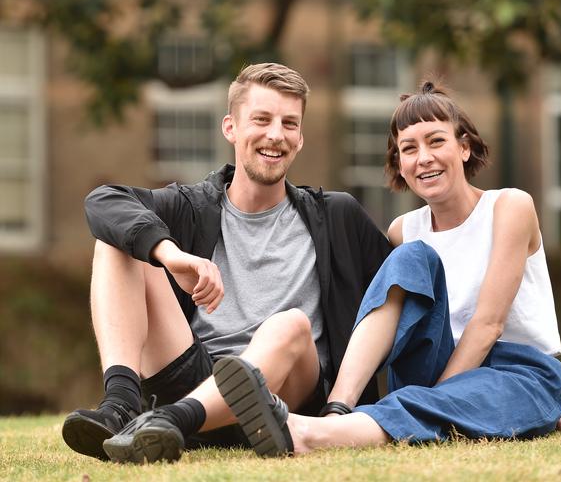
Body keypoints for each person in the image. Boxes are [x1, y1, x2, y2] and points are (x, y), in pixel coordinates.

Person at [213, 79, 561, 456]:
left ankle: (307, 432)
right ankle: (336, 410)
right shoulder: (404, 230)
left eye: (436, 141)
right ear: (400, 163)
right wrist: (436, 399)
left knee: (444, 401)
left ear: (464, 147)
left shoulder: (509, 207)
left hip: (512, 370)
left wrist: (467, 400)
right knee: (412, 257)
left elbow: (489, 324)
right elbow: (388, 315)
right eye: (409, 149)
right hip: (432, 366)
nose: (424, 158)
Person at [61, 62, 392, 463]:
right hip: (193, 373)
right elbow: (104, 201)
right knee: (119, 241)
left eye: (289, 123)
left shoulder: (336, 216)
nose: (276, 134)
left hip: (279, 401)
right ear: (230, 128)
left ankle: (167, 421)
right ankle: (120, 404)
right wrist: (171, 254)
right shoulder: (191, 207)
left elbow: (399, 290)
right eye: (262, 119)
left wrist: (418, 229)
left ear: (301, 138)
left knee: (290, 324)